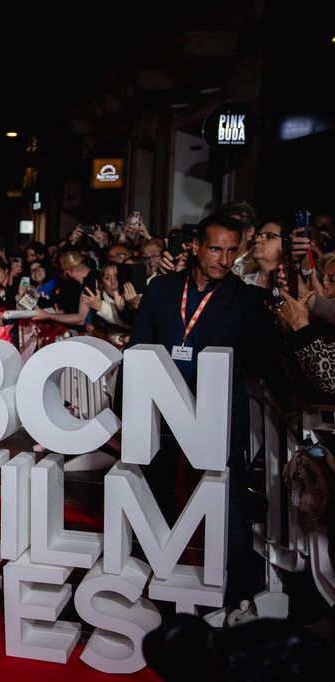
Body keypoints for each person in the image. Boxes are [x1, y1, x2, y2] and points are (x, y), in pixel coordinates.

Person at [129, 213, 272, 613]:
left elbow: (260, 358)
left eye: (232, 250)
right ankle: (146, 577)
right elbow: (139, 346)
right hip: (162, 407)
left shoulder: (246, 299)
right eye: (215, 248)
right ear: (195, 245)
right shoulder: (160, 290)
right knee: (153, 492)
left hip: (219, 413)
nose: (224, 260)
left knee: (229, 501)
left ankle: (236, 597)